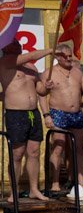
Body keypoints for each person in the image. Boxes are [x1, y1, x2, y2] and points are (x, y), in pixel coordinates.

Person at [0, 40, 53, 202]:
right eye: (12, 43)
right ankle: (14, 192)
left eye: (17, 43)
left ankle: (34, 189)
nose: (17, 45)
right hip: (16, 114)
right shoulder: (5, 62)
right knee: (17, 154)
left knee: (34, 152)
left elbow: (41, 91)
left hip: (33, 113)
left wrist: (47, 86)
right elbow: (31, 55)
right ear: (5, 47)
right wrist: (51, 50)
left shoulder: (31, 67)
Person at [38, 43, 83, 193]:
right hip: (58, 113)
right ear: (57, 57)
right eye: (66, 56)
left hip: (76, 114)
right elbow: (42, 95)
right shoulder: (49, 73)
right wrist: (46, 115)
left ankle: (80, 181)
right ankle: (55, 183)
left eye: (70, 56)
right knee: (58, 147)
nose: (69, 59)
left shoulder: (77, 72)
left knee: (79, 148)